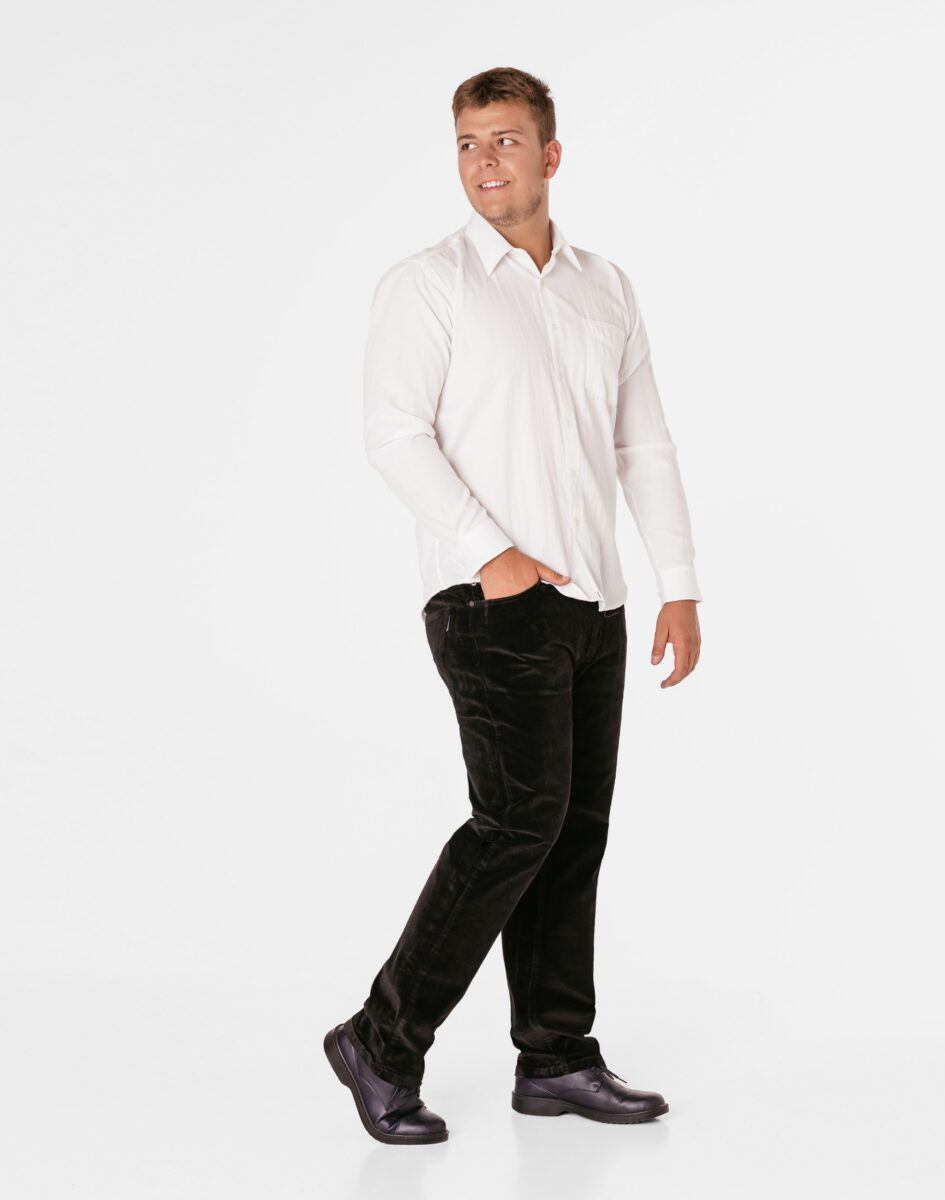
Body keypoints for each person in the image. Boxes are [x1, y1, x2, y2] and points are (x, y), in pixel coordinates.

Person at [324, 66, 702, 1146]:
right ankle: (380, 1040)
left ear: (550, 153)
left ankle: (556, 1057)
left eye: (504, 140)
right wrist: (489, 552)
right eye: (467, 143)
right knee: (517, 822)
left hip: (595, 602)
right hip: (489, 602)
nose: (484, 161)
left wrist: (677, 584)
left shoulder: (603, 286)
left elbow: (642, 442)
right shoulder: (428, 283)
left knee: (572, 832)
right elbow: (393, 432)